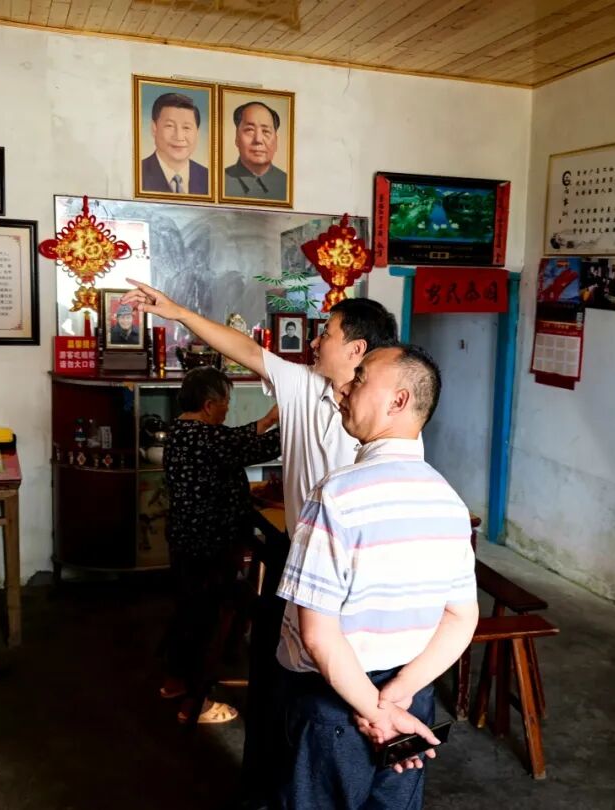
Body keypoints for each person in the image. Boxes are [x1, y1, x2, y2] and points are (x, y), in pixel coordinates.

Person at [119, 279, 399, 806]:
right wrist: (178, 312)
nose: (314, 340)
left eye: (327, 333)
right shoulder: (302, 384)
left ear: (357, 348)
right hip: (299, 557)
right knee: (284, 684)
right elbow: (243, 348)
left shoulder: (386, 411)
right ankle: (272, 790)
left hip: (360, 567)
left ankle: (338, 779)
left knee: (345, 686)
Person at [274, 344, 478, 808]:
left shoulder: (336, 495)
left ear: (398, 401)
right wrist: (396, 697)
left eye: (360, 378)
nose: (344, 388)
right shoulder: (449, 501)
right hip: (409, 701)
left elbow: (319, 636)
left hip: (335, 706)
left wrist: (375, 711)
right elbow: (461, 617)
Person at [159, 367, 280, 725]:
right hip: (210, 544)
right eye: (226, 402)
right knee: (206, 622)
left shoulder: (181, 431)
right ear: (210, 405)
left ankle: (174, 682)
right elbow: (257, 446)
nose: (228, 408)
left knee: (187, 613)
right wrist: (301, 425)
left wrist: (268, 419)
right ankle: (196, 704)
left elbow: (235, 439)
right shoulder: (208, 439)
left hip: (185, 540)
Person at [140, 92, 209, 195]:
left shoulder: (209, 177)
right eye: (169, 126)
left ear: (197, 132)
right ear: (154, 128)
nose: (179, 137)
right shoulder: (137, 173)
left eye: (186, 127)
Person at [224, 101, 288, 201]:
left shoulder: (289, 184)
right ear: (237, 138)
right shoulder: (219, 181)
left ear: (276, 141)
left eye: (266, 131)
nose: (258, 139)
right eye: (250, 130)